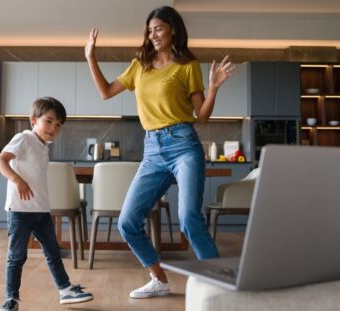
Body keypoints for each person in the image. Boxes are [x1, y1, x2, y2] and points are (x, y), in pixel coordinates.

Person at [85, 6, 235, 298]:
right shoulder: (139, 65)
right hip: (152, 150)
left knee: (189, 219)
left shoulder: (187, 65)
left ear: (173, 30)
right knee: (128, 222)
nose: (152, 34)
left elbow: (201, 115)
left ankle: (222, 282)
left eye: (159, 28)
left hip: (183, 145)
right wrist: (90, 57)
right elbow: (105, 92)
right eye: (150, 29)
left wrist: (214, 88)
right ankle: (159, 280)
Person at [0, 97, 93, 311]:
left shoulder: (43, 146)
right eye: (49, 121)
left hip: (40, 212)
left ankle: (65, 289)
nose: (53, 128)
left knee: (53, 252)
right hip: (20, 212)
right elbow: (0, 161)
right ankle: (11, 299)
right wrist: (17, 180)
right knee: (17, 256)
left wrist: (45, 209)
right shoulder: (24, 138)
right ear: (33, 120)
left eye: (58, 125)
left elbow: (39, 182)